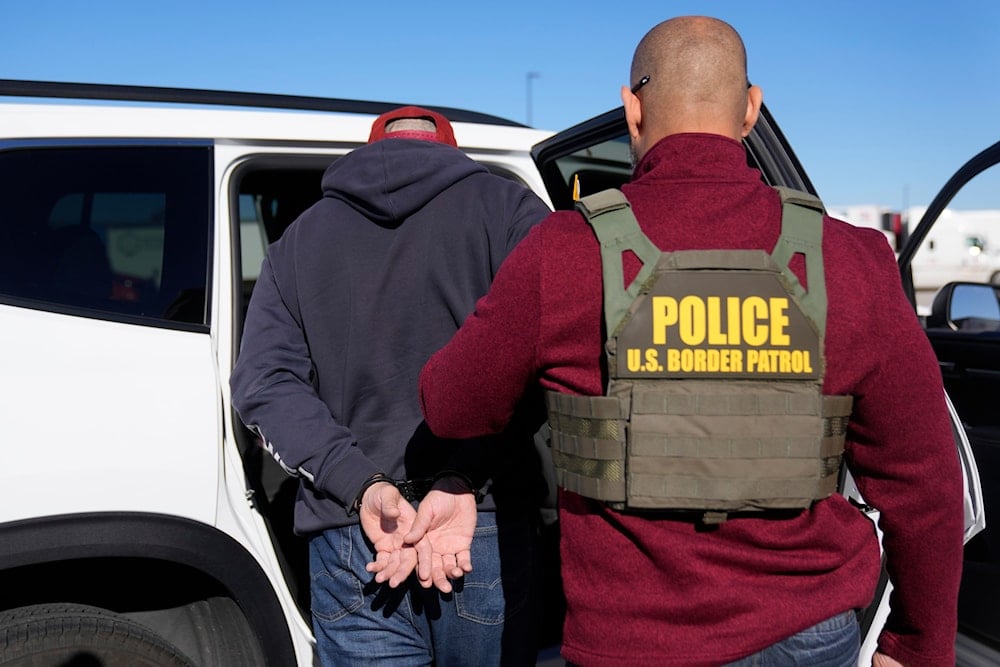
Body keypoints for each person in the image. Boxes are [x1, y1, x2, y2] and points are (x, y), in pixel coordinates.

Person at [417, 16, 965, 667]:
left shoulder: (564, 253)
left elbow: (450, 404)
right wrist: (918, 644)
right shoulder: (851, 258)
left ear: (632, 108)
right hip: (808, 637)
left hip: (632, 646)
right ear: (752, 109)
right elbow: (926, 481)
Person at [230, 105, 552, 666]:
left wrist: (361, 484)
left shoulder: (297, 240)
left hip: (357, 528)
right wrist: (464, 471)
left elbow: (263, 383)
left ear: (370, 150)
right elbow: (554, 350)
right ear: (451, 153)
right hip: (480, 520)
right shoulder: (508, 211)